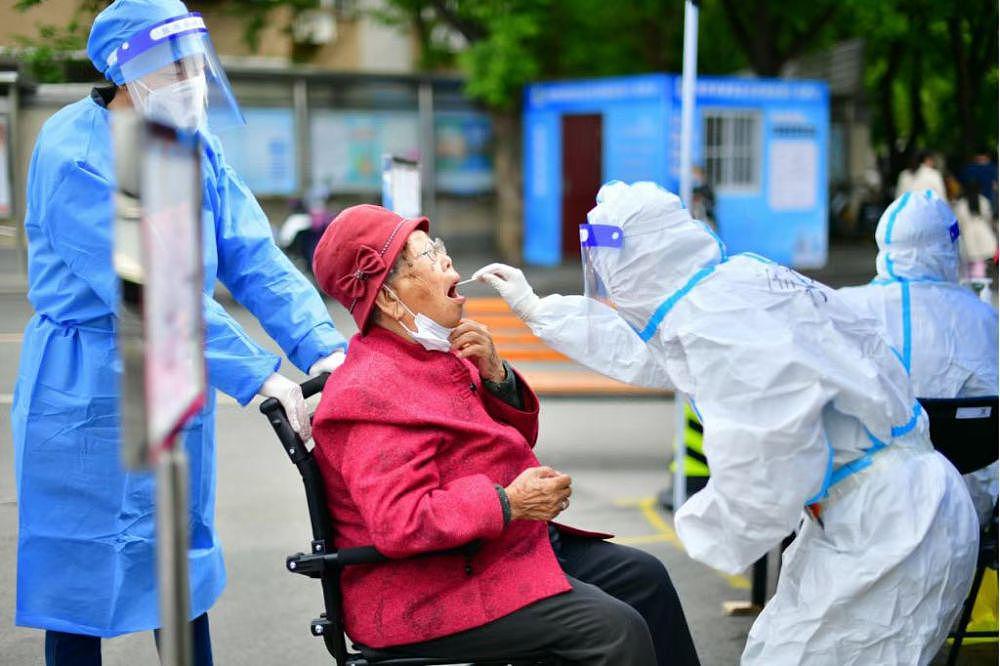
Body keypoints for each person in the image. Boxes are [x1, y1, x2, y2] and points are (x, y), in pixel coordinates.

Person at [474, 181, 979, 665]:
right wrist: (539, 310)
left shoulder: (719, 322)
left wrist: (707, 528)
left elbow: (771, 451)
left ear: (636, 262)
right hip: (883, 512)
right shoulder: (729, 288)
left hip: (888, 527)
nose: (612, 285)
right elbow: (657, 353)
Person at [11, 2, 348, 664]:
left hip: (171, 376)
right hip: (86, 384)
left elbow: (255, 259)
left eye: (197, 64)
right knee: (77, 573)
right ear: (126, 73)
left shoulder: (194, 146)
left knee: (178, 567)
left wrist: (326, 348)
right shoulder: (72, 153)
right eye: (176, 67)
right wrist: (260, 376)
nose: (193, 79)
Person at [308, 204, 700, 666]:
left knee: (645, 578)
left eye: (439, 247)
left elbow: (514, 440)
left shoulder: (435, 350)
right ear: (390, 298)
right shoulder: (367, 391)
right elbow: (402, 521)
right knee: (614, 629)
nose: (447, 261)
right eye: (427, 255)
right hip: (428, 589)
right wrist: (509, 502)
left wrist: (496, 375)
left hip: (496, 548)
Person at [839, 190, 998, 526]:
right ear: (949, 247)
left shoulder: (840, 310)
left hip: (860, 515)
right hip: (962, 520)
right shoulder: (983, 319)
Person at [952, 182, 997, 279]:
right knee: (979, 265)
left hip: (968, 236)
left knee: (970, 266)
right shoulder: (983, 201)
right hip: (983, 233)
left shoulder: (961, 205)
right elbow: (988, 218)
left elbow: (957, 224)